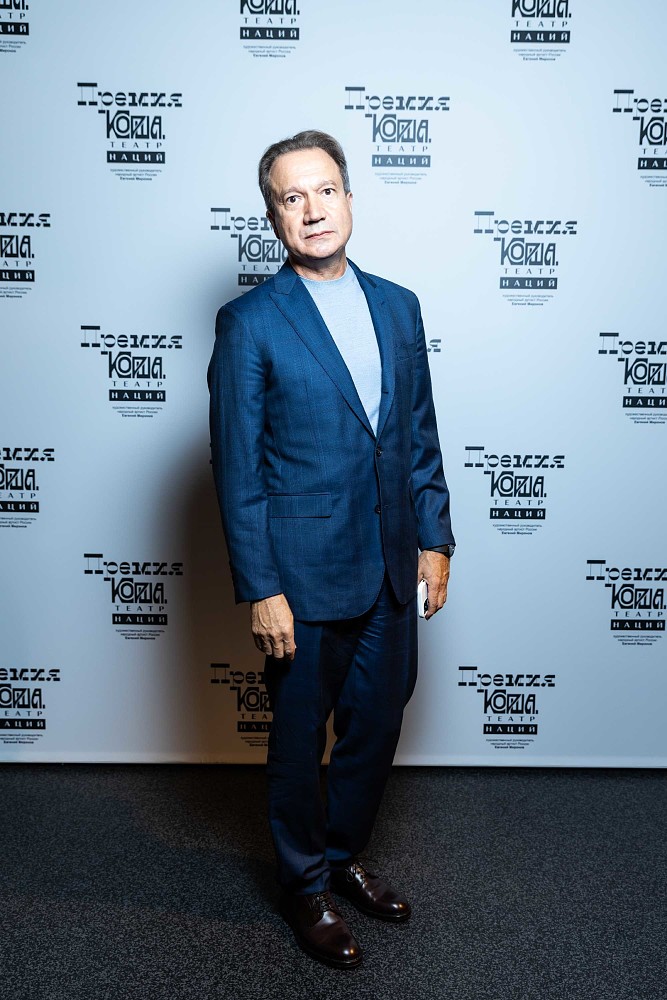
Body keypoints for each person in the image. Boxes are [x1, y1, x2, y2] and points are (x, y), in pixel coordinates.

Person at [208, 130, 454, 969]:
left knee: (376, 725)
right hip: (300, 575)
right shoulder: (249, 322)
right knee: (295, 740)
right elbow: (237, 466)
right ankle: (303, 885)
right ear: (273, 216)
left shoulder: (399, 305)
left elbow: (418, 436)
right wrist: (261, 587)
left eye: (324, 191)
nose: (312, 210)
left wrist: (435, 539)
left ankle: (343, 856)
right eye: (291, 197)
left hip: (390, 561)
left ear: (349, 198)